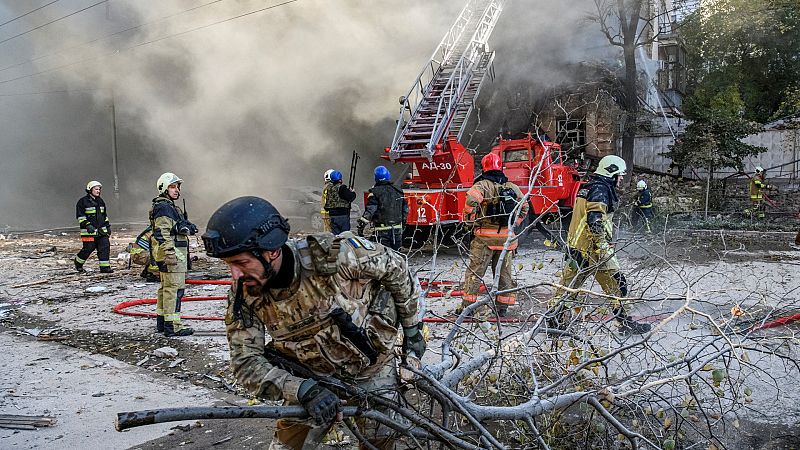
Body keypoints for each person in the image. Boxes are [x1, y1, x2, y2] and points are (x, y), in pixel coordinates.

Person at [201, 196, 425, 450]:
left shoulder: (336, 256)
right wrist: (302, 390)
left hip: (372, 370)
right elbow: (245, 363)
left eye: (241, 263)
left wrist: (413, 333)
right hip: (311, 381)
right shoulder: (244, 295)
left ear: (272, 251)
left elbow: (398, 270)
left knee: (382, 442)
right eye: (229, 265)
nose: (235, 275)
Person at [551, 155, 651, 335]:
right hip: (594, 250)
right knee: (618, 284)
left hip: (577, 249)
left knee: (568, 287)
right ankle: (625, 324)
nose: (621, 178)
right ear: (611, 172)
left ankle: (554, 322)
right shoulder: (600, 190)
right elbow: (595, 222)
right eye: (620, 174)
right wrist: (603, 248)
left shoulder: (589, 187)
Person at [459, 153, 528, 317]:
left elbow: (471, 202)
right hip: (507, 241)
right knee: (505, 275)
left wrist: (470, 222)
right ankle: (502, 308)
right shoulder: (512, 187)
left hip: (484, 240)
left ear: (484, 168)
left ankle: (468, 308)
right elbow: (525, 206)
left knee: (475, 274)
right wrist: (515, 223)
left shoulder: (481, 186)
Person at [150, 172, 197, 337]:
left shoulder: (168, 206)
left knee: (166, 289)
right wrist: (170, 253)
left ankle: (162, 323)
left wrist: (186, 227)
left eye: (177, 187)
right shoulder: (164, 207)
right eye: (172, 187)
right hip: (173, 254)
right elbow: (162, 232)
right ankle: (173, 326)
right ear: (164, 188)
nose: (176, 190)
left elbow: (171, 228)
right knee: (174, 290)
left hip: (170, 253)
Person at [357, 166, 408, 250]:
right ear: (388, 175)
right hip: (397, 230)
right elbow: (405, 209)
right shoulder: (398, 191)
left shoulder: (375, 192)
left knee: (384, 254)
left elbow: (370, 211)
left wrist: (361, 225)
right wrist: (404, 223)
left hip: (382, 231)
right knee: (397, 255)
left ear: (375, 178)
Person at [75, 180, 113, 273]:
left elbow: (104, 216)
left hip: (101, 231)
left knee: (105, 247)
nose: (98, 191)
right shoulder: (82, 202)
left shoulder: (100, 201)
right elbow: (80, 217)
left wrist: (107, 226)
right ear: (90, 190)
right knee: (88, 249)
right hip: (88, 232)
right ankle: (78, 262)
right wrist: (87, 225)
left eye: (99, 189)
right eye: (96, 189)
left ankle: (105, 267)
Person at [321, 169, 356, 234]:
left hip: (332, 216)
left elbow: (327, 202)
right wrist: (352, 192)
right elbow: (351, 197)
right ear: (340, 179)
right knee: (344, 235)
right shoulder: (342, 188)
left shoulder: (329, 189)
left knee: (336, 236)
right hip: (343, 215)